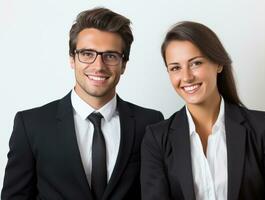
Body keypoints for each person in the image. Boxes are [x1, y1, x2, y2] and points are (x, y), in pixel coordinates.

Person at [1, 7, 163, 200]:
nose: (98, 66)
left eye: (110, 56)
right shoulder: (31, 124)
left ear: (124, 64)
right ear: (72, 59)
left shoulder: (150, 123)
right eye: (87, 54)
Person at [141, 21, 265, 200]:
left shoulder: (262, 128)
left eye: (196, 63)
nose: (186, 77)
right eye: (175, 68)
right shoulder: (156, 139)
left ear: (219, 64)